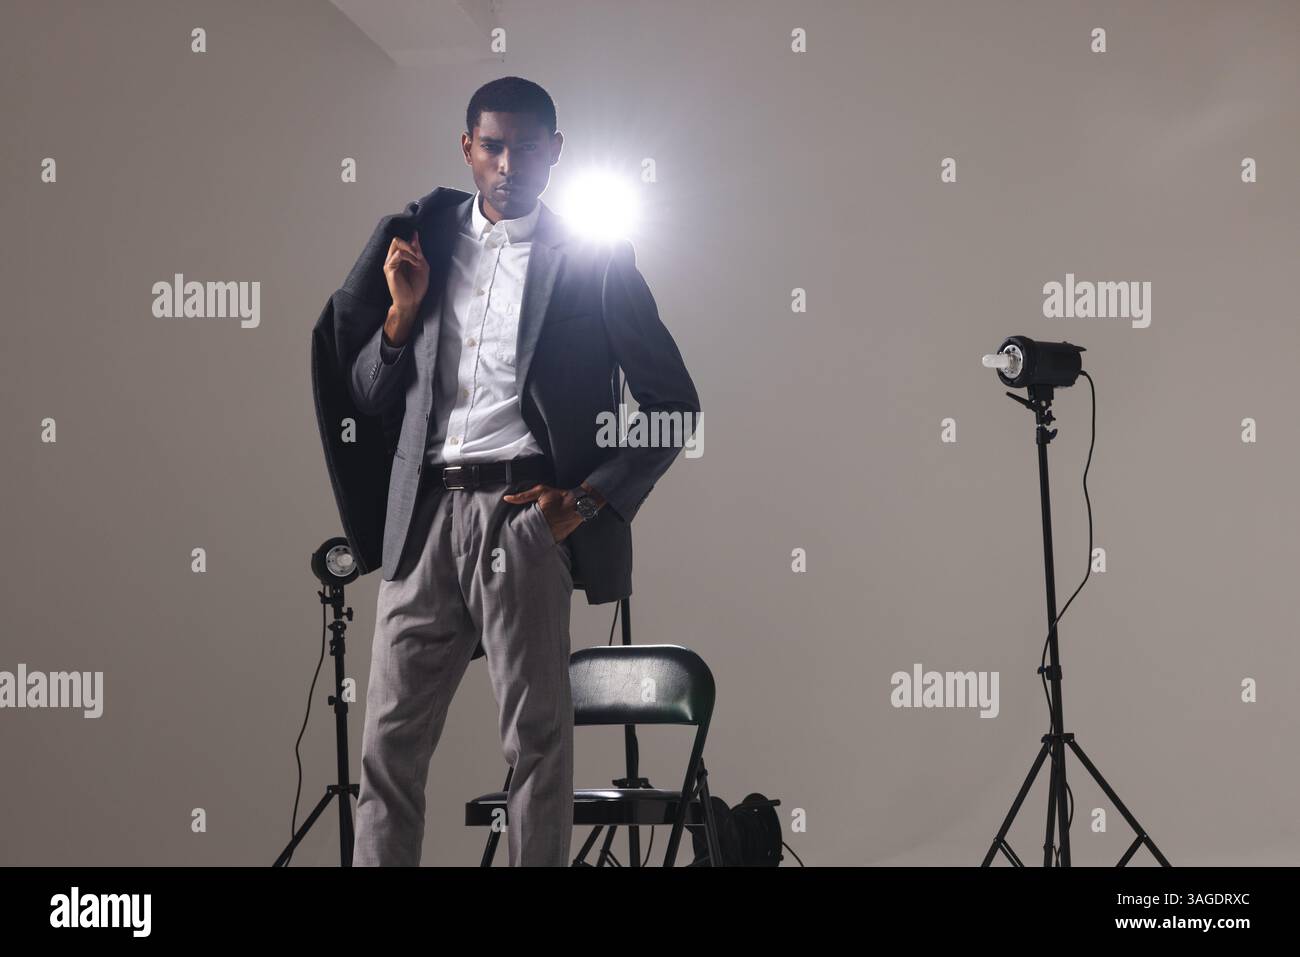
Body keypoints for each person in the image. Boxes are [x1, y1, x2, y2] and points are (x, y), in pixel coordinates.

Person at [339, 76, 701, 866]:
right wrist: (400, 315)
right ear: (466, 148)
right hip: (425, 518)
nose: (509, 162)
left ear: (556, 153)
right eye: (493, 145)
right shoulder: (422, 242)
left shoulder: (596, 260)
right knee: (386, 753)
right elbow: (366, 392)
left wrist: (586, 501)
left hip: (524, 517)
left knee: (536, 746)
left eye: (528, 146)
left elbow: (674, 404)